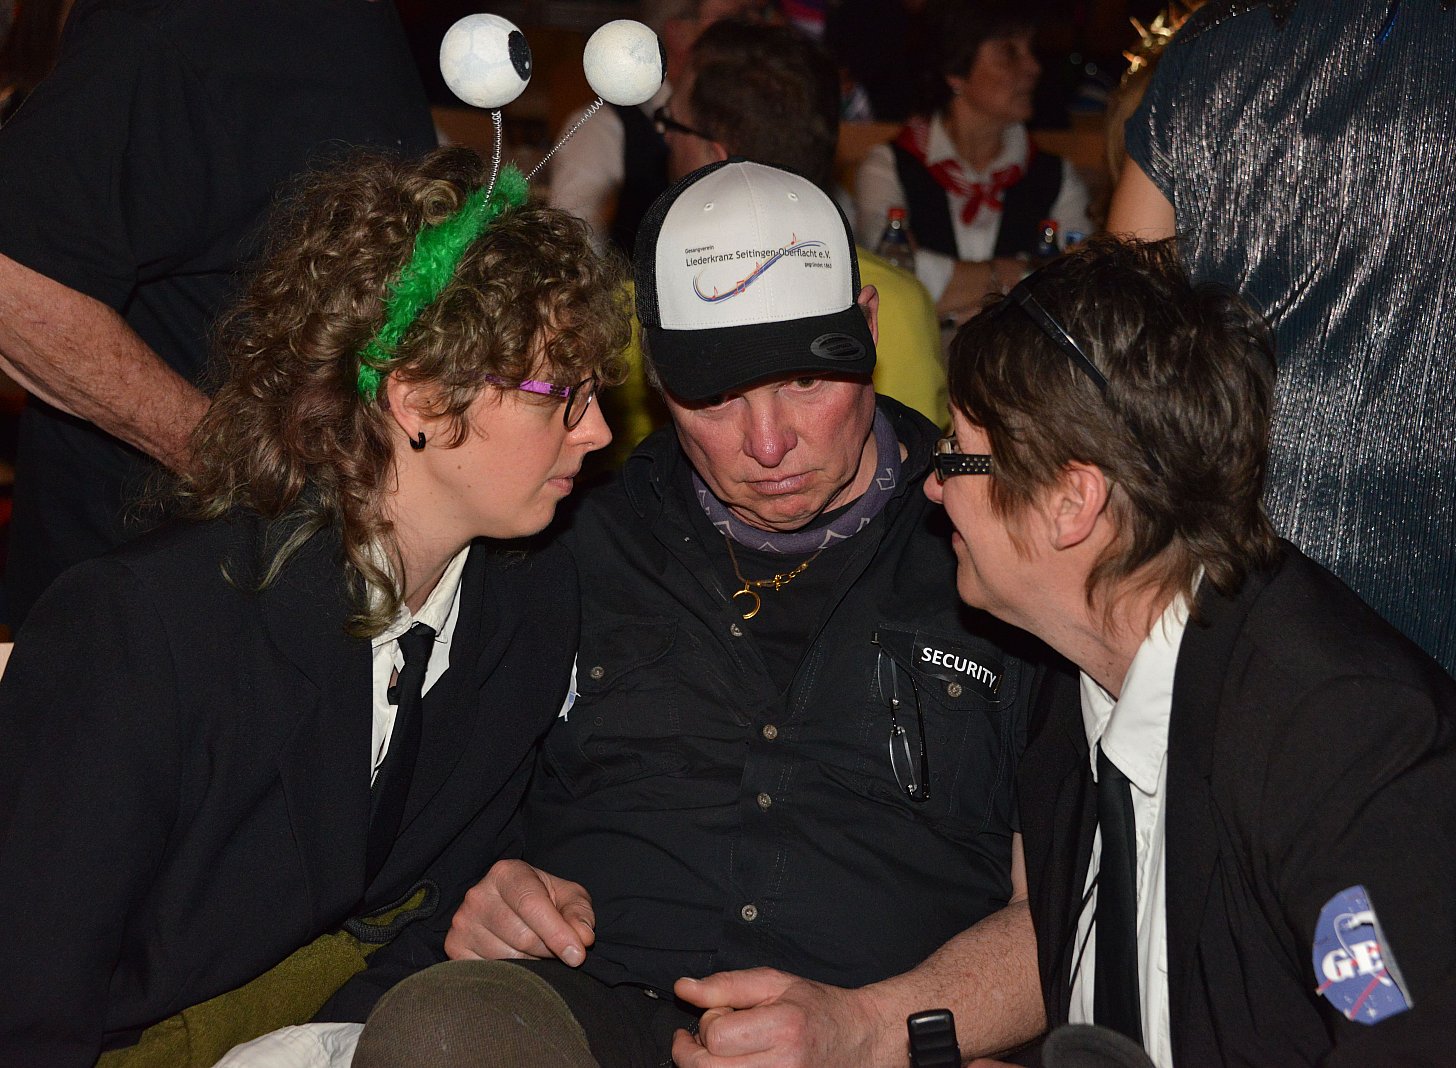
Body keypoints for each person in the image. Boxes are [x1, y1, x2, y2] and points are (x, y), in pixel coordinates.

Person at [343, 160, 1044, 1068]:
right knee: (446, 1033)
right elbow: (438, 832)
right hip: (590, 1016)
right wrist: (490, 894)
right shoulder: (571, 540)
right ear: (655, 376)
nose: (768, 443)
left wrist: (872, 1029)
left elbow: (1071, 912)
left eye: (805, 382)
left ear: (867, 328)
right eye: (714, 397)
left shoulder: (996, 550)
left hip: (882, 1032)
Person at [0, 147, 630, 1068]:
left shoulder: (527, 604)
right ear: (418, 396)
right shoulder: (142, 630)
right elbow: (28, 1001)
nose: (599, 430)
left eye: (596, 392)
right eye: (559, 396)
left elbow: (424, 916)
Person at [925, 238, 1456, 1068]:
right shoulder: (1077, 691)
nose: (934, 484)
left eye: (957, 451)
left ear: (1072, 502)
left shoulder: (1348, 738)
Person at [1105, 0, 1456, 760]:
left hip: (1224, 590)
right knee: (1436, 831)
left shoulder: (1213, 41)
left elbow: (1121, 333)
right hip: (1449, 604)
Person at [0, 0, 436, 631]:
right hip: (148, 596)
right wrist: (241, 464)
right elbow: (15, 278)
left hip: (290, 575)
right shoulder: (194, 23)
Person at [603, 16, 947, 456]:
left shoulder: (635, 314)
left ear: (719, 159)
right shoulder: (905, 296)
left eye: (672, 123)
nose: (667, 139)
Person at [853, 0, 1091, 323]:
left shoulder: (1057, 175)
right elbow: (889, 278)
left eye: (1030, 50)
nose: (1033, 66)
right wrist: (1021, 272)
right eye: (1009, 52)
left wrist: (945, 282)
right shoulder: (888, 165)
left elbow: (1075, 285)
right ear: (955, 71)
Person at [546, 0, 772, 259]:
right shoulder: (603, 126)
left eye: (761, 12)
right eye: (736, 18)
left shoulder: (764, 109)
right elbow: (571, 247)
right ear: (678, 31)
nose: (759, 26)